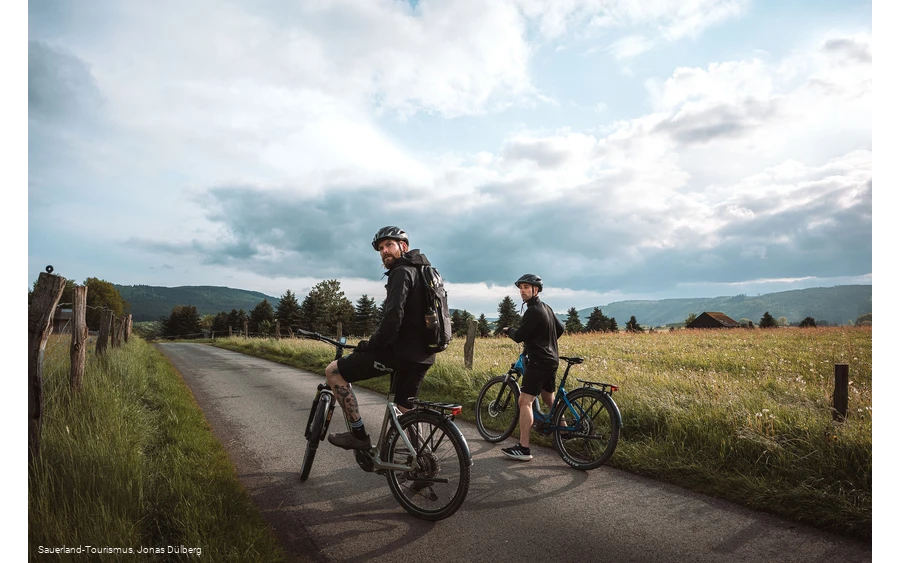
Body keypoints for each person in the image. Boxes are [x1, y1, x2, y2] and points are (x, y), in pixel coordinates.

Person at [325, 226, 436, 450]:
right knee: (405, 407)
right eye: (381, 248)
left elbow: (394, 315)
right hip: (425, 354)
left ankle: (358, 434)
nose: (384, 251)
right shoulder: (426, 272)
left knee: (333, 372)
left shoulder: (401, 271)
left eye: (389, 245)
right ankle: (422, 461)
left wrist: (371, 345)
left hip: (401, 353)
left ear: (403, 247)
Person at [499, 274, 565, 461]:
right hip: (552, 359)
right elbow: (560, 329)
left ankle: (524, 448)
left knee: (524, 401)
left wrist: (508, 331)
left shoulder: (533, 310)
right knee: (547, 396)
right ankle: (564, 429)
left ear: (536, 290)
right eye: (521, 287)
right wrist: (545, 341)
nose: (522, 290)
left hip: (539, 361)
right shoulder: (547, 308)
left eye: (526, 287)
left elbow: (520, 335)